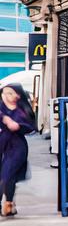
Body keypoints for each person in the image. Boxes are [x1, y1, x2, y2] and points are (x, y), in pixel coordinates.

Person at [0, 83, 36, 216]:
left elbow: (32, 126)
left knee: (7, 173)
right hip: (2, 143)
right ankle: (9, 204)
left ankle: (8, 204)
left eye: (10, 93)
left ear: (18, 95)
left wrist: (18, 126)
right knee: (6, 176)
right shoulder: (1, 108)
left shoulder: (22, 110)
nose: (6, 96)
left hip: (17, 146)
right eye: (4, 93)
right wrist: (4, 118)